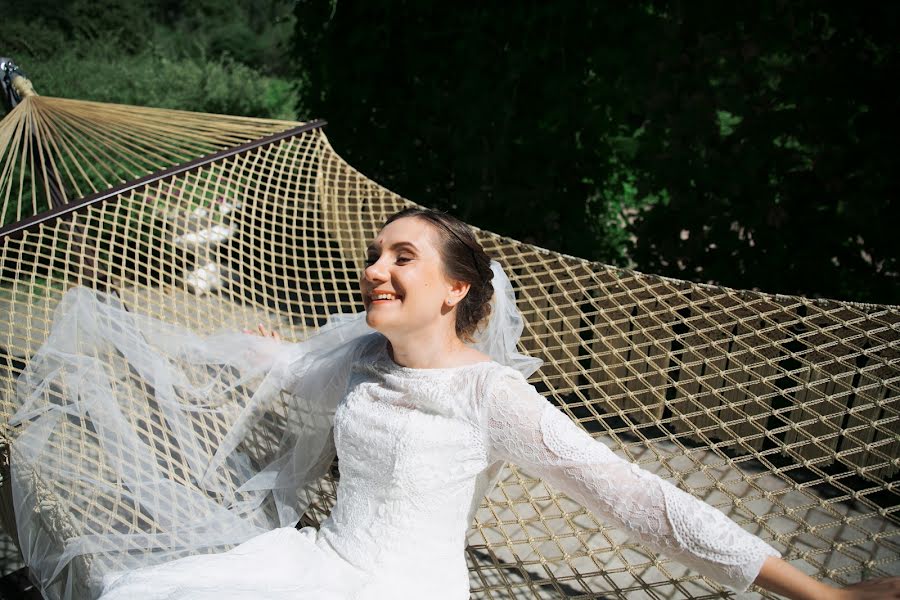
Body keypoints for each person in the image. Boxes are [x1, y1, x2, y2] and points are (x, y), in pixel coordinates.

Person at [11, 208, 898, 600]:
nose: (375, 269)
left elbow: (636, 497)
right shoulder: (359, 356)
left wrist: (817, 593)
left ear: (455, 289)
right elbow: (281, 371)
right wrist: (249, 346)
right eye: (375, 253)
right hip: (316, 565)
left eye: (402, 257)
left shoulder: (490, 393)